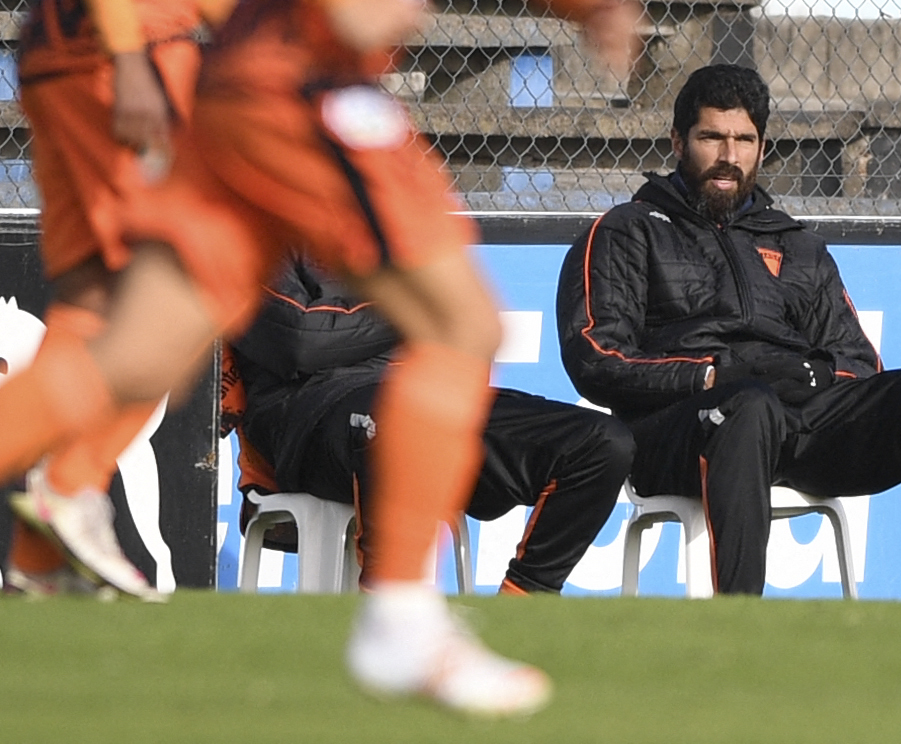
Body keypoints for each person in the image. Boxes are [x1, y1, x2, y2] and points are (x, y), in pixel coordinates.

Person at [0, 0, 642, 715]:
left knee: (141, 354)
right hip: (296, 84)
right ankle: (400, 617)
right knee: (459, 325)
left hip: (225, 86)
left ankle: (54, 526)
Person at [555, 63, 901, 598]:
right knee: (747, 403)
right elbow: (595, 357)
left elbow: (860, 364)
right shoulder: (627, 230)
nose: (729, 156)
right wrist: (714, 375)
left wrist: (810, 376)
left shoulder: (797, 243)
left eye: (744, 139)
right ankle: (743, 621)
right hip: (677, 433)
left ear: (761, 146)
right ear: (678, 142)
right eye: (711, 137)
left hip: (796, 423)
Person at [226, 254, 635, 595]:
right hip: (313, 415)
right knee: (396, 420)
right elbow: (300, 342)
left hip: (429, 395)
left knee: (601, 443)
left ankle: (521, 608)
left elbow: (470, 324)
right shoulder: (262, 230)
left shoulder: (403, 234)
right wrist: (414, 313)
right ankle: (391, 614)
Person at [4, 0, 235, 600]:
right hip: (125, 50)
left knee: (92, 299)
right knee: (190, 289)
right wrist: (130, 57)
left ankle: (37, 560)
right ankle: (73, 479)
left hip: (64, 51)